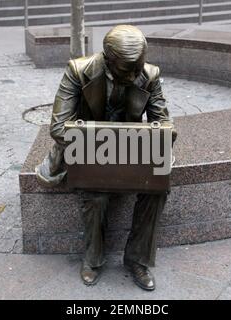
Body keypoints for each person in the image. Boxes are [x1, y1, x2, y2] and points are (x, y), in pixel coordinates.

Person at [35, 25, 172, 291]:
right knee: (95, 193)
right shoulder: (78, 71)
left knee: (157, 189)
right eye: (126, 69)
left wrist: (163, 135)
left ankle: (137, 260)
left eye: (138, 67)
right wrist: (105, 146)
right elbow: (59, 126)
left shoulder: (150, 74)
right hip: (89, 153)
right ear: (108, 59)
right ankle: (93, 258)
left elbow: (164, 123)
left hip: (132, 152)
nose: (134, 75)